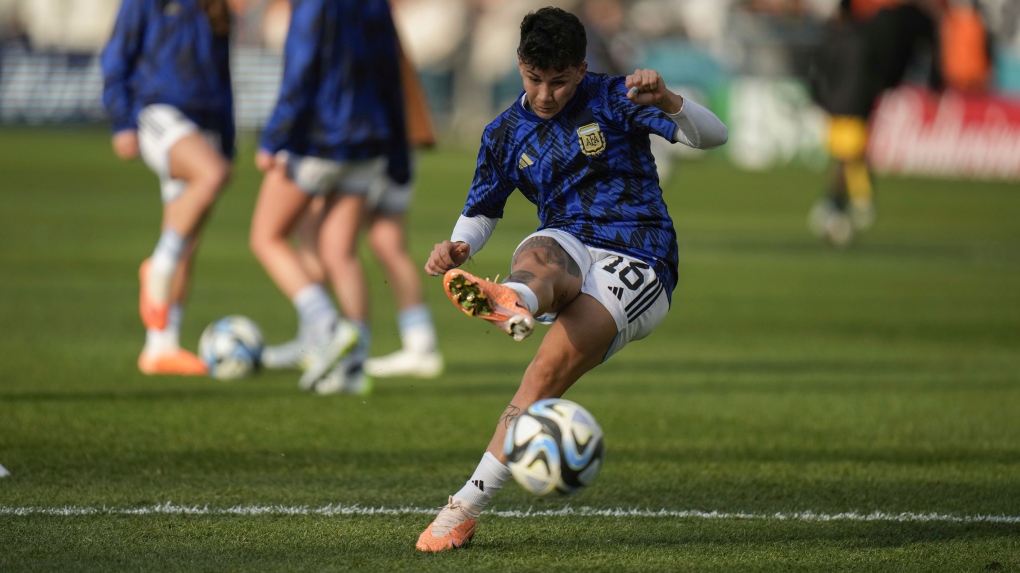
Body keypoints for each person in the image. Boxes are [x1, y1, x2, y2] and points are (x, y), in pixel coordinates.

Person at [414, 6, 727, 552]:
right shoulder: (505, 131)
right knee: (541, 247)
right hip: (566, 242)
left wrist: (671, 101)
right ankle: (516, 299)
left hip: (639, 256)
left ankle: (465, 505)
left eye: (558, 82)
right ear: (520, 65)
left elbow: (714, 137)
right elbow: (484, 209)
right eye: (534, 79)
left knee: (542, 376)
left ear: (581, 70)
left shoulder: (615, 98)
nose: (545, 94)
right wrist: (461, 244)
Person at [259, 36, 444, 381]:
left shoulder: (332, 15)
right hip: (396, 138)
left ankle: (321, 334)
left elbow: (307, 74)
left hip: (356, 138)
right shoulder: (373, 14)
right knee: (385, 243)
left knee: (321, 237)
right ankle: (419, 344)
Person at [248, 0, 410, 394]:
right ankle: (353, 370)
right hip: (370, 139)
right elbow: (392, 71)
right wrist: (398, 153)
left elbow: (301, 70)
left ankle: (326, 326)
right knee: (340, 253)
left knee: (266, 237)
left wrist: (274, 138)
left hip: (321, 137)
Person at [101, 0, 238, 375]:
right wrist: (121, 121)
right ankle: (156, 267)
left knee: (187, 240)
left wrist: (227, 139)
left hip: (204, 122)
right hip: (159, 112)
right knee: (211, 175)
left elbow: (223, 77)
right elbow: (116, 56)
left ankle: (160, 346)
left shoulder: (216, 7)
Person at [807, 0, 949, 247]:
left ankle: (842, 204)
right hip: (851, 107)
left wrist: (822, 100)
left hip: (839, 107)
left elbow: (818, 74)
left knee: (849, 155)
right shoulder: (861, 43)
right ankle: (847, 203)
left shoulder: (843, 40)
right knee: (848, 156)